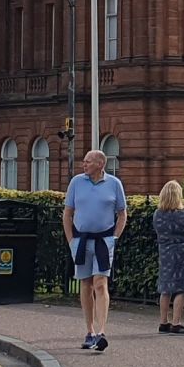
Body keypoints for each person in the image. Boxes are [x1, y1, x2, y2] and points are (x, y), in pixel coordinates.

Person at [63, 149, 126, 352]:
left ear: (100, 164)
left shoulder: (114, 184)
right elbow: (68, 213)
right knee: (86, 284)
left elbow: (122, 213)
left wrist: (114, 238)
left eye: (88, 161)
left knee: (100, 282)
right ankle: (89, 331)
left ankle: (101, 332)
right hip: (81, 240)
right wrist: (71, 240)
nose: (84, 164)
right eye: (84, 161)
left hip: (103, 240)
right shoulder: (76, 182)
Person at [153, 180, 184, 335]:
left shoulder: (157, 214)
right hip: (183, 254)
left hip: (166, 253)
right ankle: (176, 323)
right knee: (182, 288)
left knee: (166, 287)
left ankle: (163, 322)